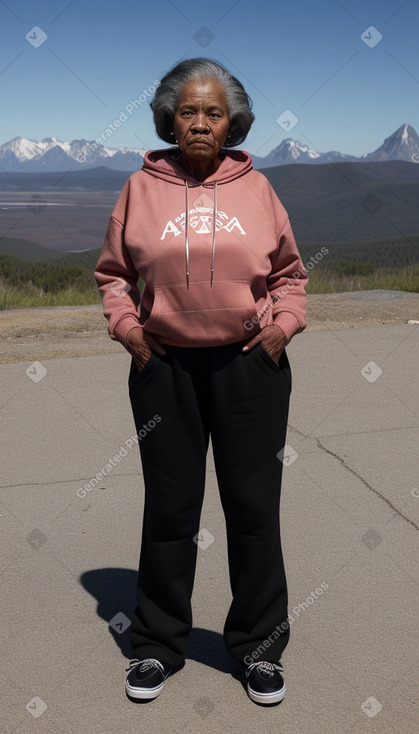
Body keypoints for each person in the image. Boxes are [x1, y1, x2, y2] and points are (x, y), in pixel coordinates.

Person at [94, 57, 308, 706]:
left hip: (250, 369)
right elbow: (112, 274)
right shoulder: (139, 188)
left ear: (232, 122)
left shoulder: (258, 188)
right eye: (187, 110)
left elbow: (288, 275)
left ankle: (259, 651)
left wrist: (283, 326)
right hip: (165, 371)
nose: (199, 123)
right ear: (167, 117)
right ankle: (158, 647)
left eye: (213, 113)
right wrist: (129, 331)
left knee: (251, 513)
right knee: (169, 511)